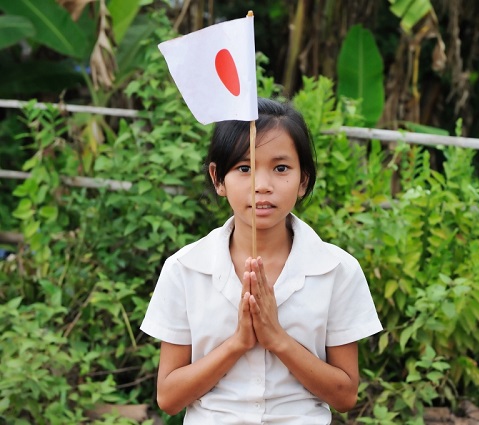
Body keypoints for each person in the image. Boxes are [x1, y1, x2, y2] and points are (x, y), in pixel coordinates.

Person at [140, 97, 382, 424]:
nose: (262, 186)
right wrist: (238, 343)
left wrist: (277, 339)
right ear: (217, 179)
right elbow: (169, 398)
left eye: (281, 168)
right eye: (244, 168)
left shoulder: (337, 271)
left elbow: (344, 396)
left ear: (304, 179)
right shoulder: (185, 269)